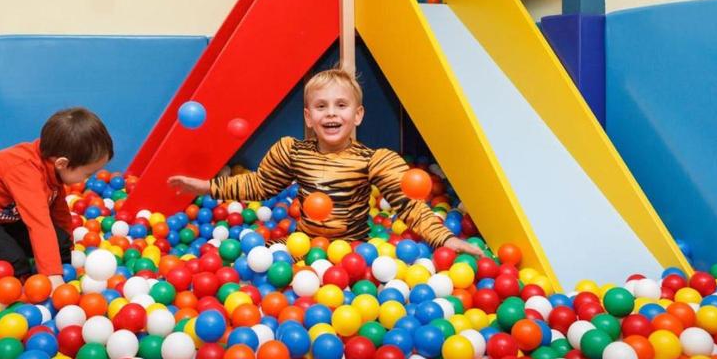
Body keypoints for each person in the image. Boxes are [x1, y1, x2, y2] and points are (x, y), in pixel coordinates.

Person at [169, 68, 483, 256]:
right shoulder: (292, 152)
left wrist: (445, 238)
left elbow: (409, 203)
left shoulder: (373, 160)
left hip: (354, 252)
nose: (331, 112)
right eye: (321, 106)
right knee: (255, 261)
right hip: (304, 245)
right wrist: (206, 187)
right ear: (309, 117)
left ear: (357, 115)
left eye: (341, 105)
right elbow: (259, 185)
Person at [0, 107, 114, 289]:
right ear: (62, 163)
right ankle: (19, 287)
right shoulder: (25, 171)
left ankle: (4, 250)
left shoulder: (53, 169)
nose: (87, 179)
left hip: (4, 220)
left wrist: (66, 245)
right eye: (87, 173)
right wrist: (52, 276)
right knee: (13, 261)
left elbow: (59, 211)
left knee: (60, 243)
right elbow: (38, 223)